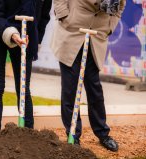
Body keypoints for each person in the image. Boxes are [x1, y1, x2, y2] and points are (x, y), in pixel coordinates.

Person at [51, 0, 126, 151]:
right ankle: (73, 134)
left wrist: (110, 27)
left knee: (94, 89)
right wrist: (64, 16)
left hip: (97, 36)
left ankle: (102, 133)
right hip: (71, 33)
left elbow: (121, 5)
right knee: (70, 89)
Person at [0, 0, 52, 131]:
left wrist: (36, 40)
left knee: (23, 89)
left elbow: (44, 16)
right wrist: (12, 33)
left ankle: (28, 134)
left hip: (25, 36)